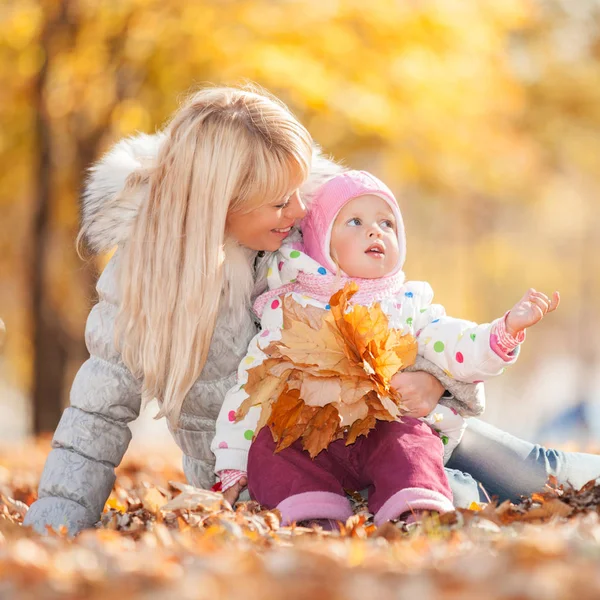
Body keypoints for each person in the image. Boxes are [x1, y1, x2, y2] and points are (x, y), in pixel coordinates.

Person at [22, 85, 600, 536]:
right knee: (465, 495)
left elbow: (402, 315)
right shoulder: (144, 283)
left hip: (386, 423)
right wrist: (57, 523)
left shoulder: (306, 235)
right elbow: (95, 419)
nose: (297, 209)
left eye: (300, 193)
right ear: (221, 202)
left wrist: (435, 377)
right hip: (277, 469)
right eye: (280, 200)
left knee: (534, 468)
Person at [211, 170, 559, 526]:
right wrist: (232, 464)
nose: (375, 231)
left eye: (387, 223)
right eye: (356, 221)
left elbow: (454, 343)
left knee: (411, 442)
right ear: (321, 241)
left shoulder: (407, 303)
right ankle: (311, 514)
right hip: (311, 433)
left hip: (384, 426)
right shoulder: (289, 309)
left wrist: (504, 331)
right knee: (273, 447)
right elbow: (251, 389)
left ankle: (414, 509)